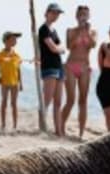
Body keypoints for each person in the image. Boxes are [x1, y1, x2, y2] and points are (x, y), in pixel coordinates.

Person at [61, 5, 97, 139]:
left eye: (85, 14)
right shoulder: (70, 31)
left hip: (84, 67)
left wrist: (86, 31)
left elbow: (93, 45)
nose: (83, 16)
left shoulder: (93, 32)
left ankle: (81, 133)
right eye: (81, 14)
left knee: (83, 100)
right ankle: (61, 127)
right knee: (70, 99)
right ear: (77, 16)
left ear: (88, 16)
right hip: (71, 65)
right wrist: (79, 31)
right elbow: (70, 46)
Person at [39, 3, 65, 136]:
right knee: (47, 99)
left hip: (59, 66)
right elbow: (54, 48)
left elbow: (60, 45)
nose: (56, 15)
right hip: (49, 66)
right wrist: (59, 49)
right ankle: (42, 128)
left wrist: (59, 48)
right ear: (47, 12)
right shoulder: (43, 29)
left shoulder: (53, 30)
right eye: (54, 12)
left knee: (58, 101)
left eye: (58, 13)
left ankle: (58, 131)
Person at [0, 31, 23, 132]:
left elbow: (18, 70)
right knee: (4, 102)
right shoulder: (0, 54)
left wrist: (21, 83)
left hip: (15, 83)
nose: (15, 41)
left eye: (16, 40)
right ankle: (3, 125)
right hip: (4, 82)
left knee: (14, 104)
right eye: (13, 39)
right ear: (6, 41)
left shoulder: (16, 55)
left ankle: (15, 126)